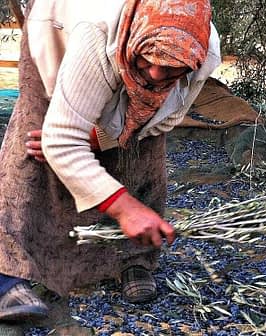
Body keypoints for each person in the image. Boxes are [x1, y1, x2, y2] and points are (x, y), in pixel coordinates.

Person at [0, 0, 221, 321]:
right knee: (34, 148)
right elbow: (60, 139)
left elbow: (162, 119)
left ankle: (133, 259)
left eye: (172, 67)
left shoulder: (202, 53)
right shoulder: (97, 33)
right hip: (59, 34)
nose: (157, 74)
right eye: (149, 60)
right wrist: (123, 206)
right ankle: (8, 275)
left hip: (123, 49)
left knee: (140, 155)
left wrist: (100, 138)